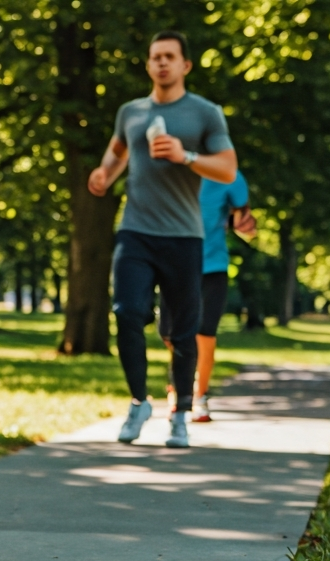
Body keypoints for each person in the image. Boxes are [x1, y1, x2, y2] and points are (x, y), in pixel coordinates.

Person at [87, 30, 238, 448]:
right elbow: (118, 151)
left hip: (184, 236)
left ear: (186, 65)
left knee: (183, 332)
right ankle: (139, 401)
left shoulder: (205, 114)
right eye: (155, 57)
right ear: (148, 64)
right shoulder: (130, 112)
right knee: (128, 313)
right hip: (135, 230)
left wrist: (185, 156)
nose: (162, 63)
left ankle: (181, 414)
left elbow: (227, 169)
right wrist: (104, 174)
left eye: (170, 56)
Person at [159, 172, 256, 421]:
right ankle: (178, 385)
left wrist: (246, 224)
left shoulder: (228, 175)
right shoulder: (168, 167)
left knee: (204, 333)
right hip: (174, 265)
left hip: (212, 268)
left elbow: (244, 218)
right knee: (170, 334)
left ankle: (198, 396)